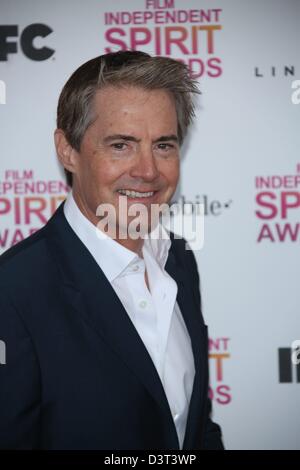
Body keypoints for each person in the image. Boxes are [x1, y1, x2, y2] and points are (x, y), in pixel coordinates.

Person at [0, 51, 224, 450]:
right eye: (121, 145)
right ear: (68, 150)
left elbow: (194, 428)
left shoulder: (179, 259)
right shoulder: (13, 292)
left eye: (164, 145)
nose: (148, 171)